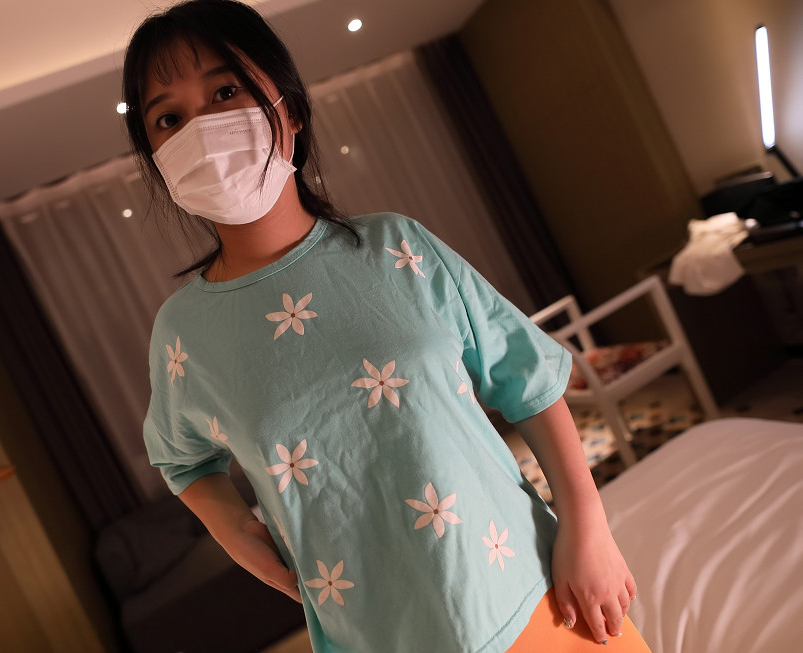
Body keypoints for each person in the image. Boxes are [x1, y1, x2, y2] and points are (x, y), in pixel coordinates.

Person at [123, 1, 652, 651]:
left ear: (289, 108)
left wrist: (588, 527)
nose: (202, 127)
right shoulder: (184, 335)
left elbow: (528, 378)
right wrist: (233, 530)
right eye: (168, 118)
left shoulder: (397, 247)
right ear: (158, 159)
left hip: (541, 596)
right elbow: (181, 458)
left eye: (225, 91)